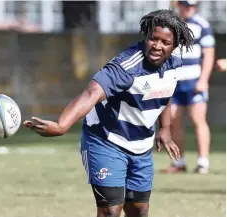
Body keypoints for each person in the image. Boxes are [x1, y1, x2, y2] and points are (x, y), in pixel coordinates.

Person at [24, 9, 194, 217]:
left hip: (141, 147)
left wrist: (165, 128)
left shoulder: (173, 66)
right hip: (106, 141)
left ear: (174, 46)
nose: (157, 46)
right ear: (146, 36)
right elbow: (91, 93)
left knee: (139, 211)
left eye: (165, 42)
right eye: (153, 39)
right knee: (110, 210)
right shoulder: (126, 66)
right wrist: (62, 126)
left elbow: (165, 92)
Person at [163, 0, 216, 174]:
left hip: (194, 82)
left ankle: (203, 162)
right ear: (179, 5)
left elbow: (208, 55)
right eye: (187, 5)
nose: (190, 9)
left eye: (193, 6)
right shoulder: (170, 24)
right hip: (175, 82)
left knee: (197, 119)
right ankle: (179, 163)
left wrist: (203, 80)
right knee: (173, 121)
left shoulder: (202, 25)